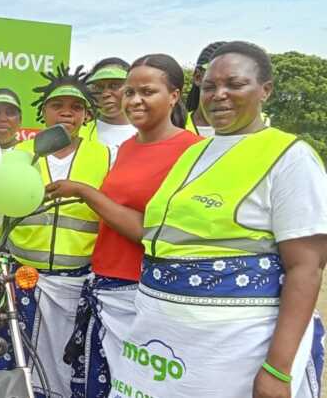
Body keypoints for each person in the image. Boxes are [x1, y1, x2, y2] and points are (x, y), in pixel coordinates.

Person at [109, 42, 326, 397]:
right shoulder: (195, 152)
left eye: (235, 84)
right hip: (160, 343)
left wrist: (277, 369)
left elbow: (306, 268)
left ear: (265, 90)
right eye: (209, 87)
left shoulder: (290, 157)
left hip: (231, 350)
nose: (219, 95)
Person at [46, 54, 201, 398]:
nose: (135, 100)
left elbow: (154, 232)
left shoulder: (192, 151)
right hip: (104, 286)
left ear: (174, 95)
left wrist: (85, 192)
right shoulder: (128, 147)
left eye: (147, 91)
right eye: (129, 92)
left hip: (142, 295)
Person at [0, 65, 113, 398]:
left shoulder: (105, 156)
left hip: (76, 283)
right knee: (18, 364)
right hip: (23, 281)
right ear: (43, 111)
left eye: (75, 107)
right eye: (57, 105)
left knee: (65, 367)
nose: (66, 112)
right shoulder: (18, 157)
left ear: (87, 115)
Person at [79, 58, 137, 147]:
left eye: (114, 86)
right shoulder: (78, 133)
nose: (105, 94)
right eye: (98, 87)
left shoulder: (149, 134)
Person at [184, 41, 227, 136]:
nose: (221, 94)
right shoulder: (175, 127)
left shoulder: (257, 127)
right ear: (198, 77)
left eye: (236, 83)